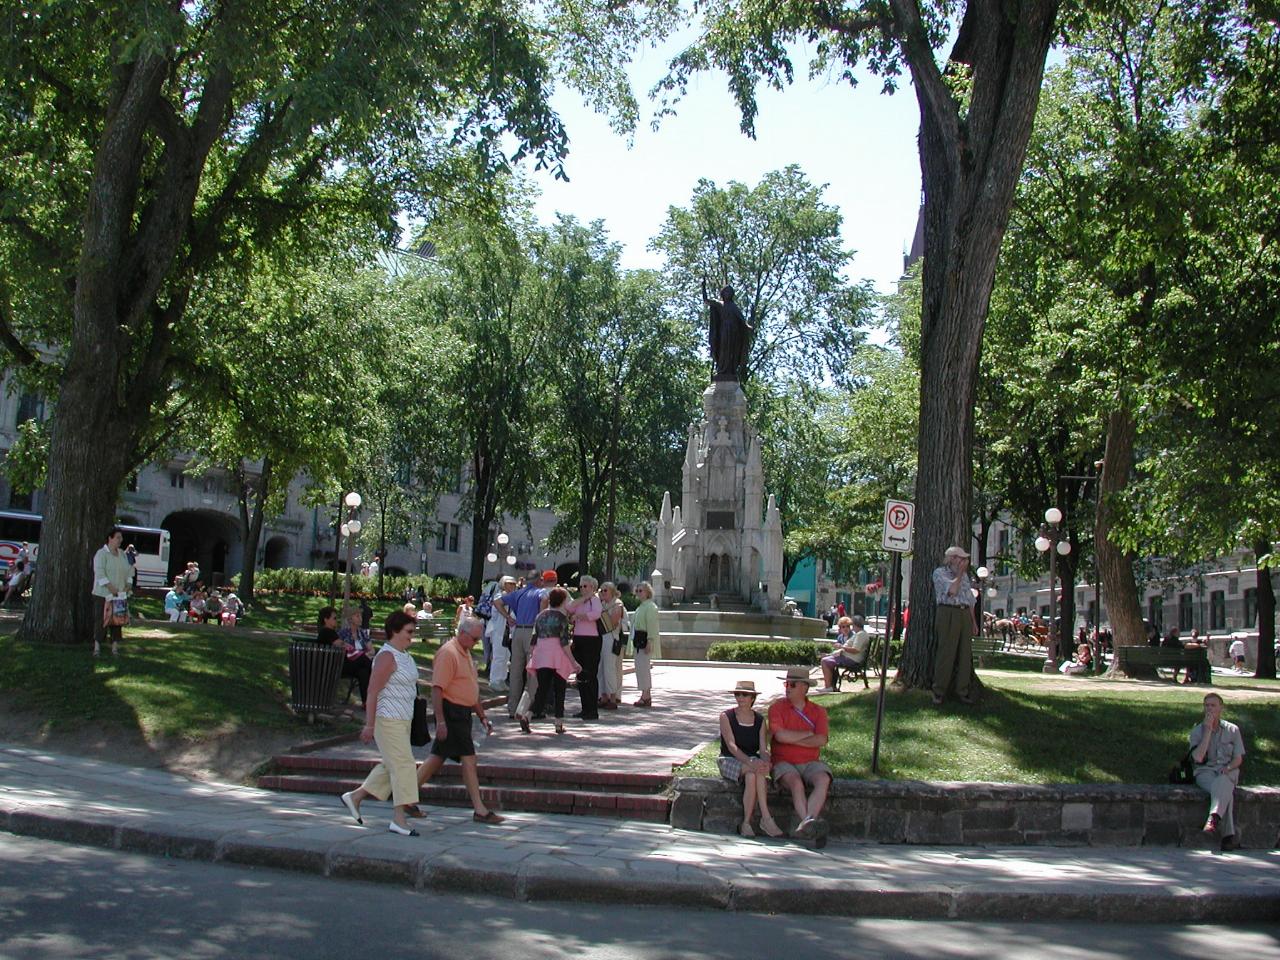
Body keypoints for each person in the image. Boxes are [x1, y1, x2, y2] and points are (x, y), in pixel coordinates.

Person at [415, 617, 504, 825]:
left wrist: (482, 716)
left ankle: (406, 797)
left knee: (437, 757)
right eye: (474, 638)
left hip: (463, 712)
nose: (476, 642)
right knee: (469, 759)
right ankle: (480, 810)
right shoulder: (448, 653)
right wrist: (441, 721)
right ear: (462, 633)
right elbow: (437, 688)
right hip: (451, 712)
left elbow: (472, 689)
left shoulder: (465, 653)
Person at [339, 611, 422, 836]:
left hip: (404, 719)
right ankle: (398, 818)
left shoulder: (405, 655)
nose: (411, 637)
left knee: (390, 765)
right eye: (408, 632)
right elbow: (373, 690)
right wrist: (370, 724)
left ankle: (355, 797)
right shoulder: (386, 657)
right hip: (388, 720)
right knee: (403, 764)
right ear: (394, 631)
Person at [768, 666, 832, 846]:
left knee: (823, 779)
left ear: (804, 687)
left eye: (792, 684)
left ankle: (807, 825)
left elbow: (821, 739)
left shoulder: (818, 711)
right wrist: (807, 734)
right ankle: (809, 823)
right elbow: (780, 736)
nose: (787, 688)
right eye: (786, 683)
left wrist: (792, 738)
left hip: (811, 761)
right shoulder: (777, 708)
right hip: (783, 762)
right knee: (795, 783)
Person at [718, 680, 783, 838]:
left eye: (744, 695)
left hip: (752, 762)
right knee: (754, 770)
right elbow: (731, 746)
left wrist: (766, 761)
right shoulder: (727, 716)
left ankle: (747, 823)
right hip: (729, 759)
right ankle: (766, 818)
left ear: (752, 698)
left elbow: (762, 748)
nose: (740, 697)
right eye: (737, 694)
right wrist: (750, 762)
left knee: (753, 775)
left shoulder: (760, 720)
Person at [493, 569, 556, 719]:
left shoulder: (518, 593)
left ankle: (513, 707)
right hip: (532, 632)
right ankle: (530, 709)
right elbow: (545, 600)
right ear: (538, 581)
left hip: (518, 632)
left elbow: (497, 602)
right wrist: (541, 617)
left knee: (515, 671)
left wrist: (508, 616)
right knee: (532, 672)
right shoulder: (540, 592)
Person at [1189, 692, 1245, 852]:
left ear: (1221, 708)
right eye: (1206, 705)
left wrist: (1227, 769)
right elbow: (1198, 758)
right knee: (1223, 790)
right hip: (1205, 771)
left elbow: (1238, 759)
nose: (1209, 709)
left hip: (1229, 769)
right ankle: (1228, 836)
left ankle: (1213, 817)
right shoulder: (1197, 731)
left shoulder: (1232, 730)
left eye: (1213, 705)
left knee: (1223, 781)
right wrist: (1207, 731)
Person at [520, 587, 579, 735]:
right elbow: (564, 643)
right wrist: (573, 662)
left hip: (541, 654)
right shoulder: (562, 618)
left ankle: (528, 715)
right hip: (557, 655)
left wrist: (532, 654)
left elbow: (534, 637)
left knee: (542, 689)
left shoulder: (540, 616)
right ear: (563, 601)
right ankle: (558, 723)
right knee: (560, 689)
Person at [931, 545, 978, 706]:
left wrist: (973, 621)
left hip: (964, 613)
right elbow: (951, 591)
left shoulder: (965, 576)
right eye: (961, 558)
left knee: (965, 653)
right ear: (952, 559)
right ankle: (939, 691)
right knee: (946, 652)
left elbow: (969, 599)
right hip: (948, 612)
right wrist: (959, 574)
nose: (964, 562)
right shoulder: (940, 573)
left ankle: (962, 691)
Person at [565, 575, 603, 720]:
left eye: (585, 586)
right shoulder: (580, 601)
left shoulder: (595, 600)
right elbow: (569, 608)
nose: (582, 589)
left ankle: (592, 709)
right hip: (579, 638)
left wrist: (580, 616)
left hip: (592, 639)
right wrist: (582, 599)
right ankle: (584, 708)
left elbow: (596, 614)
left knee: (590, 673)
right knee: (580, 673)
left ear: (592, 587)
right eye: (581, 586)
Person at [92, 527, 133, 657]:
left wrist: (128, 585)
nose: (120, 540)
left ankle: (115, 648)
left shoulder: (122, 554)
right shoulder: (101, 553)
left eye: (121, 538)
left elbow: (129, 571)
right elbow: (99, 572)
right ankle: (97, 648)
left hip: (119, 595)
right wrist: (110, 587)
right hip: (103, 594)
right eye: (118, 538)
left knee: (117, 621)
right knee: (101, 621)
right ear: (110, 538)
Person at [703, 279, 754, 381]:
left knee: (732, 352)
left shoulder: (734, 307)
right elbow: (706, 300)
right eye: (726, 292)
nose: (728, 294)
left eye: (730, 292)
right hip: (724, 330)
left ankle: (731, 370)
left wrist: (749, 326)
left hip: (734, 333)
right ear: (722, 293)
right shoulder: (719, 304)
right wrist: (703, 287)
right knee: (723, 350)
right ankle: (721, 369)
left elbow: (742, 322)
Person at [817, 615, 870, 691]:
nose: (851, 627)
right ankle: (831, 685)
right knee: (826, 659)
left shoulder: (860, 634)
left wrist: (842, 647)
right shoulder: (860, 634)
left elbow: (855, 650)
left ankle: (828, 687)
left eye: (850, 625)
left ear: (855, 625)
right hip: (847, 657)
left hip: (852, 659)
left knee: (824, 661)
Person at [630, 580, 661, 707]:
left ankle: (646, 695)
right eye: (636, 591)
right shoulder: (640, 607)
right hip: (638, 640)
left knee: (643, 668)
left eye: (640, 590)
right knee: (640, 668)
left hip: (644, 640)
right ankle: (644, 694)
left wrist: (650, 641)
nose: (638, 593)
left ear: (648, 592)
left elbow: (652, 626)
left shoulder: (651, 607)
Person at [485, 576, 517, 691]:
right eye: (509, 583)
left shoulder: (512, 596)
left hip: (508, 631)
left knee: (506, 656)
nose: (512, 586)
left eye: (513, 584)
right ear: (503, 584)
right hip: (499, 629)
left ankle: (502, 679)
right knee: (498, 655)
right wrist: (507, 616)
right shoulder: (499, 595)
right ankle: (494, 680)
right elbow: (498, 604)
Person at [597, 581, 626, 710]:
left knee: (610, 668)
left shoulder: (617, 604)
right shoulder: (601, 604)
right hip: (600, 638)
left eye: (605, 590)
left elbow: (613, 623)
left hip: (611, 637)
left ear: (612, 592)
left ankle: (613, 697)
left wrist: (600, 614)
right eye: (601, 590)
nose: (602, 593)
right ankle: (603, 696)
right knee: (600, 668)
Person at [338, 606, 375, 706]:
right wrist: (363, 655)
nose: (361, 618)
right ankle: (379, 674)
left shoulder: (362, 634)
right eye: (357, 616)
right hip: (347, 665)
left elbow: (372, 650)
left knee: (363, 672)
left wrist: (365, 654)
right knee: (363, 659)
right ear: (350, 619)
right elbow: (342, 652)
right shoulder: (343, 633)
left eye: (361, 616)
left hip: (362, 665)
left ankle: (366, 703)